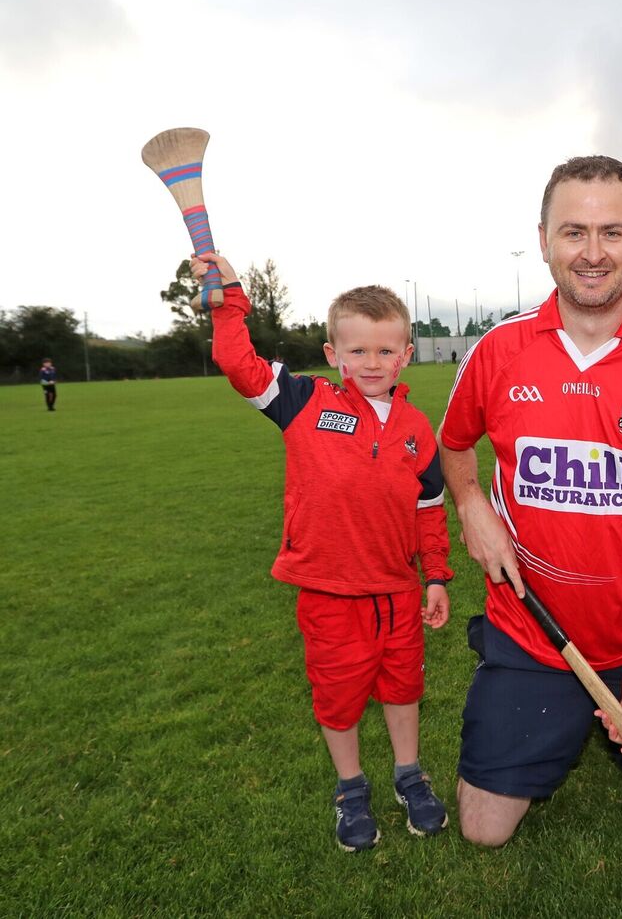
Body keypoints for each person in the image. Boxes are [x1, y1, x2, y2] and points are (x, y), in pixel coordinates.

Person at [438, 155, 622, 847]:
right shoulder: (498, 351)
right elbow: (454, 446)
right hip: (531, 631)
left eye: (612, 233)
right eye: (574, 232)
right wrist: (470, 504)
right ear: (543, 239)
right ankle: (539, 702)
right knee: (482, 829)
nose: (593, 253)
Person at [190, 252, 454, 853]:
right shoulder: (305, 401)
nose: (372, 363)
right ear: (333, 354)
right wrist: (230, 295)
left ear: (406, 355)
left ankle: (410, 777)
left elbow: (429, 508)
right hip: (330, 592)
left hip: (397, 590)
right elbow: (236, 361)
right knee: (338, 697)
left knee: (403, 689)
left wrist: (435, 576)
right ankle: (351, 789)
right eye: (357, 351)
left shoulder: (416, 426)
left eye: (386, 350)